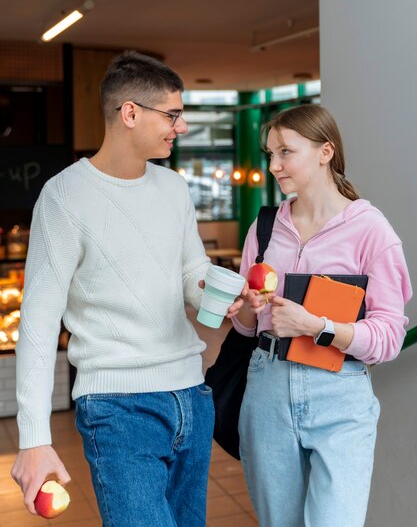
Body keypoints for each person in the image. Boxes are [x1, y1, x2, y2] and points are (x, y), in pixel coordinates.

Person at [10, 51, 243, 526]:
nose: (180, 127)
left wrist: (221, 292)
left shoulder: (174, 188)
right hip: (118, 410)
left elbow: (188, 273)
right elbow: (37, 321)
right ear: (130, 112)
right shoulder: (63, 196)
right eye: (172, 115)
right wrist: (34, 438)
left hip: (192, 398)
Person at [233, 104, 412, 527]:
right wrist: (244, 309)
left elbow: (389, 336)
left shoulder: (371, 230)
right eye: (269, 154)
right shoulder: (263, 228)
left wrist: (319, 327)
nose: (274, 166)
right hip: (267, 390)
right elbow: (245, 328)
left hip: (341, 394)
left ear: (325, 151)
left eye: (285, 152)